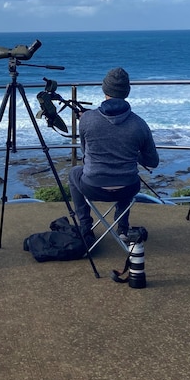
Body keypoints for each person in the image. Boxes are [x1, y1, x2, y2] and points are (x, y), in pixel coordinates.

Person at [68, 67, 159, 246]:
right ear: (127, 92)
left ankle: (86, 226)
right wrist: (134, 154)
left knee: (74, 173)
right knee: (128, 175)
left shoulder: (87, 119)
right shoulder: (139, 124)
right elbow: (153, 162)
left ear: (105, 90)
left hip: (93, 187)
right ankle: (122, 228)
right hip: (127, 188)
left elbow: (85, 154)